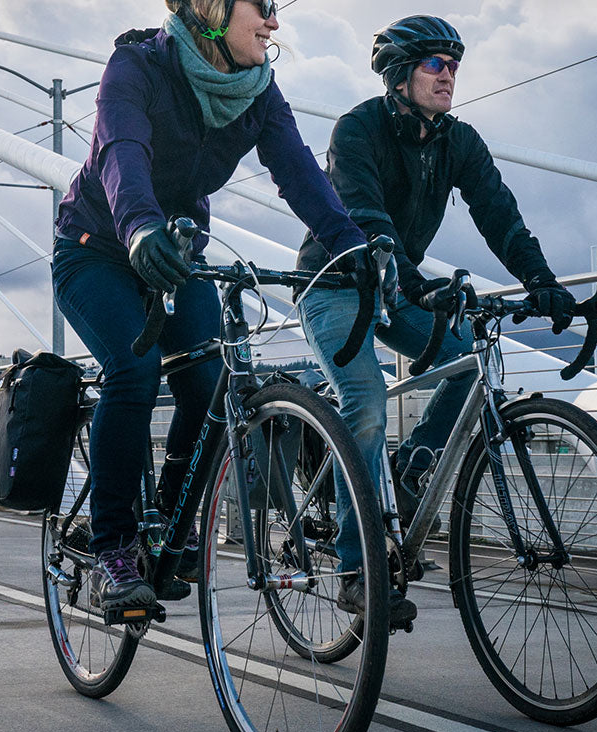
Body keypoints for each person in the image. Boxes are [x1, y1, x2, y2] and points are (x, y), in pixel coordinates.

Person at [54, 0, 372, 619]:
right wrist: (140, 227)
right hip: (97, 248)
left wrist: (351, 247)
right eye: (264, 6)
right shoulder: (136, 66)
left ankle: (169, 530)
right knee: (134, 373)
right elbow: (122, 152)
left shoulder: (257, 91)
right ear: (211, 9)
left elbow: (302, 175)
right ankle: (114, 547)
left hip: (177, 255)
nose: (275, 22)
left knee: (210, 387)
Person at [294, 15, 576, 625]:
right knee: (365, 405)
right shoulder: (358, 129)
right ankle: (355, 569)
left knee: (470, 361)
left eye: (454, 66)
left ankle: (414, 466)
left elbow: (500, 214)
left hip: (400, 290)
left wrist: (542, 281)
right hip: (338, 284)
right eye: (434, 64)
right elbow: (365, 211)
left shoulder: (459, 141)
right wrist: (404, 270)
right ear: (399, 75)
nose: (448, 75)